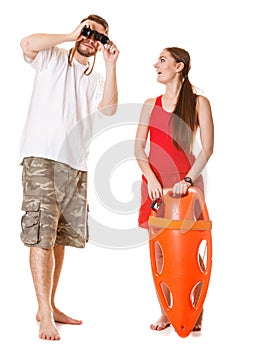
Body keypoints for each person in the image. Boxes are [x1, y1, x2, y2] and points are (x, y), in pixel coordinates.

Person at [19, 14, 119, 340]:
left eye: (99, 37)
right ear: (80, 31)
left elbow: (109, 111)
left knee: (59, 238)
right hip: (43, 159)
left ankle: (49, 304)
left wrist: (111, 63)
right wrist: (69, 34)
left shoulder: (94, 78)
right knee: (40, 235)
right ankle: (44, 313)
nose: (92, 39)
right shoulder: (52, 57)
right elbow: (27, 44)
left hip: (76, 165)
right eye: (88, 32)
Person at [135, 47, 214, 332]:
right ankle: (167, 311)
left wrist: (189, 180)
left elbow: (207, 148)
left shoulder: (198, 102)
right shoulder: (149, 104)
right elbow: (138, 149)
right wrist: (152, 180)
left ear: (179, 67)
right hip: (155, 188)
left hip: (186, 185)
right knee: (160, 252)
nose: (155, 64)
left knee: (190, 249)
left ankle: (194, 309)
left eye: (163, 60)